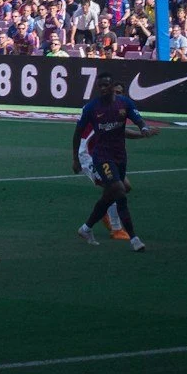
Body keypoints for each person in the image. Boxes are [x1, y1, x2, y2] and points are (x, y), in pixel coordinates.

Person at [74, 78, 156, 251]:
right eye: (114, 91)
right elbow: (81, 133)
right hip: (90, 154)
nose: (115, 94)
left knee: (123, 187)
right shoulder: (94, 108)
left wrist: (144, 131)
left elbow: (120, 131)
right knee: (117, 189)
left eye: (119, 92)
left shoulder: (122, 107)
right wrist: (75, 159)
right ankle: (119, 229)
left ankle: (88, 226)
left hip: (115, 155)